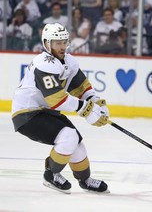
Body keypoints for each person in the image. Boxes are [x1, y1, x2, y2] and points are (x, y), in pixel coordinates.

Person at [11, 23, 110, 194]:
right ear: (47, 44)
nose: (63, 46)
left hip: (45, 111)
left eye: (64, 42)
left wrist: (97, 102)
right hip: (27, 114)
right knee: (68, 136)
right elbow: (57, 100)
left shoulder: (69, 61)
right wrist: (86, 109)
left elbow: (81, 87)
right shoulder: (43, 63)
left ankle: (85, 180)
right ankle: (51, 173)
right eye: (58, 43)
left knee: (76, 144)